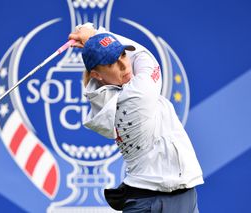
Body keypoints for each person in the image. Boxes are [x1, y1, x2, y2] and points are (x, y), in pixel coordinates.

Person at [69, 24, 204, 213]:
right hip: (154, 201)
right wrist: (95, 35)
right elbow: (145, 57)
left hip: (176, 195)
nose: (124, 65)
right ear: (96, 74)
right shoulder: (136, 95)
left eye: (123, 55)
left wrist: (98, 41)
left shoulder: (108, 95)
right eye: (111, 63)